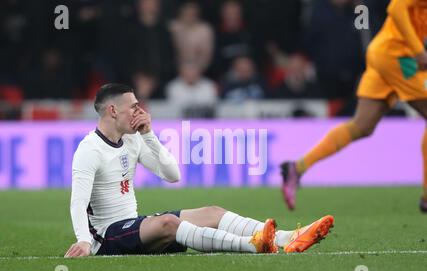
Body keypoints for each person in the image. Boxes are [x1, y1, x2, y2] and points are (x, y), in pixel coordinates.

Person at [65, 83, 334, 257]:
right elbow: (78, 202)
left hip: (134, 228)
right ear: (113, 110)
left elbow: (173, 175)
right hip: (107, 238)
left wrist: (149, 135)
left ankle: (288, 237)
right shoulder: (90, 149)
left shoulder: (133, 139)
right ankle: (253, 244)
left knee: (212, 212)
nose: (140, 110)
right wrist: (85, 242)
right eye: (134, 105)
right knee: (170, 223)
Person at [280, 0, 427, 212]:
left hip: (385, 54)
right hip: (399, 57)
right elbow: (396, 8)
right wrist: (418, 50)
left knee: (361, 126)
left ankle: (297, 167)